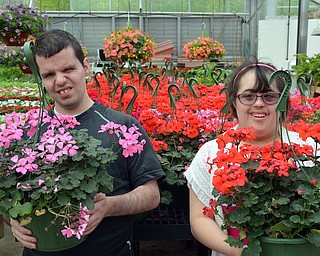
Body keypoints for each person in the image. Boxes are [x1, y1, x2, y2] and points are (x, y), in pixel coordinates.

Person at [10, 29, 165, 256]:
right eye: (49, 74)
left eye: (68, 69)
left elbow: (152, 195)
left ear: (86, 66)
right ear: (40, 79)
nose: (60, 80)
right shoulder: (28, 131)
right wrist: (14, 220)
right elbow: (10, 194)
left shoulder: (122, 126)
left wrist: (108, 206)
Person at [184, 60, 317, 256]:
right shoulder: (211, 153)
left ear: (283, 103)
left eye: (269, 96)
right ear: (234, 102)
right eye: (248, 96)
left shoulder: (310, 150)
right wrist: (245, 252)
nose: (259, 103)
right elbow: (200, 220)